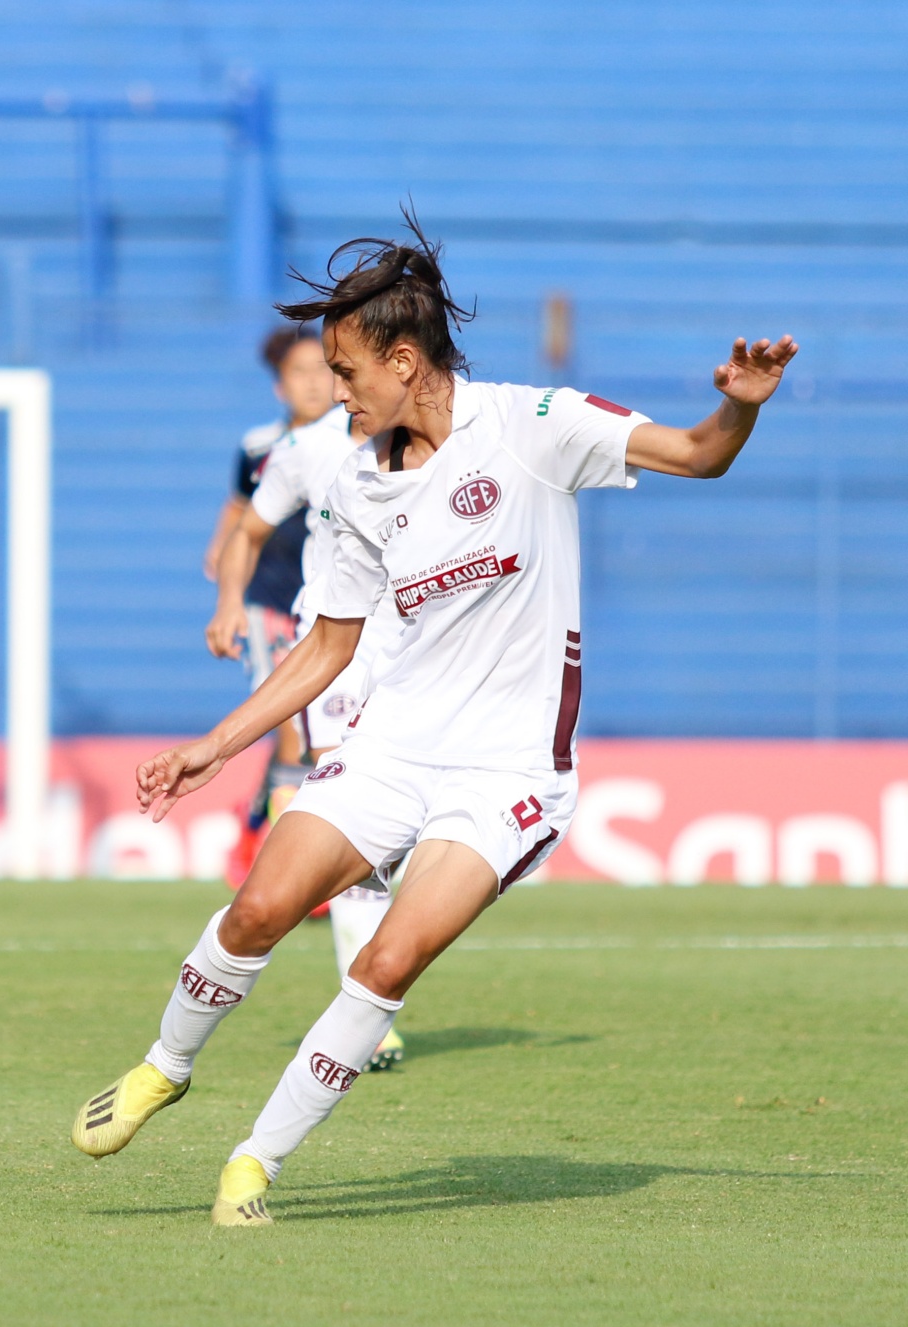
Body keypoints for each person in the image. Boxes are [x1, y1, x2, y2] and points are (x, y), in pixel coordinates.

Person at [71, 215, 796, 1226]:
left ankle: (254, 1163)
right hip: (392, 747)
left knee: (384, 961)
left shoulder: (532, 422)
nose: (335, 390)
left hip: (504, 777)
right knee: (256, 909)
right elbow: (324, 649)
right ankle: (164, 1066)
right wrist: (211, 745)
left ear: (402, 360)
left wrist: (737, 413)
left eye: (345, 370)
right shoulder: (358, 486)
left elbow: (692, 452)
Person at [207, 401, 407, 1071]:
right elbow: (250, 527)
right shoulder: (304, 449)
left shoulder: (437, 434)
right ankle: (367, 1014)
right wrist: (231, 601)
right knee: (358, 817)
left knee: (400, 825)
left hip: (423, 643)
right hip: (336, 642)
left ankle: (280, 824)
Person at [205, 327, 335, 883]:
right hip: (271, 602)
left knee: (318, 737)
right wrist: (226, 595)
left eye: (323, 370)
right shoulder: (261, 447)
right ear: (280, 387)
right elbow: (238, 516)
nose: (314, 382)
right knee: (291, 725)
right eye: (299, 373)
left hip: (330, 609)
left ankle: (255, 824)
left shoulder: (360, 443)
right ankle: (292, 873)